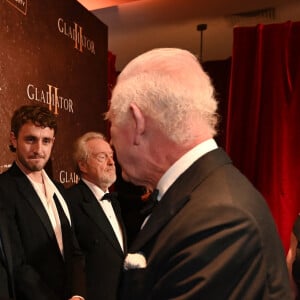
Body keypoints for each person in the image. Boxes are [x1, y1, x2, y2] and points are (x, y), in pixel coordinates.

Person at [105, 48, 292, 299]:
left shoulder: (220, 218)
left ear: (138, 123)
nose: (111, 137)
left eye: (112, 119)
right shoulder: (204, 196)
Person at [0, 104, 86, 300]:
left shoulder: (60, 190)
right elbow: (17, 264)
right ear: (14, 139)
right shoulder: (4, 189)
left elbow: (74, 251)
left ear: (53, 142)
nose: (39, 149)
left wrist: (78, 295)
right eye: (31, 139)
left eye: (46, 141)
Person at [66, 132, 127, 300]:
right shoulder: (71, 201)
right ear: (83, 165)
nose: (111, 162)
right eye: (102, 157)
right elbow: (72, 258)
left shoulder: (114, 201)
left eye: (111, 156)